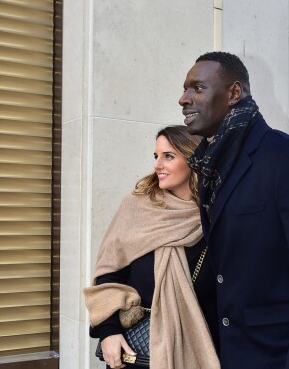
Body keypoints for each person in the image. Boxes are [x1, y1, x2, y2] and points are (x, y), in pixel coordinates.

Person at [179, 52, 289, 369]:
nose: (183, 99)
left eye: (197, 88)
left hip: (279, 355)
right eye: (185, 89)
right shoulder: (211, 167)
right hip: (227, 353)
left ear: (233, 93)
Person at [83, 126, 220, 369]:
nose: (158, 165)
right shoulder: (136, 207)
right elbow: (108, 273)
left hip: (199, 347)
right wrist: (108, 332)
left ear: (195, 159)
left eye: (168, 156)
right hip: (136, 352)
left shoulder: (216, 215)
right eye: (156, 156)